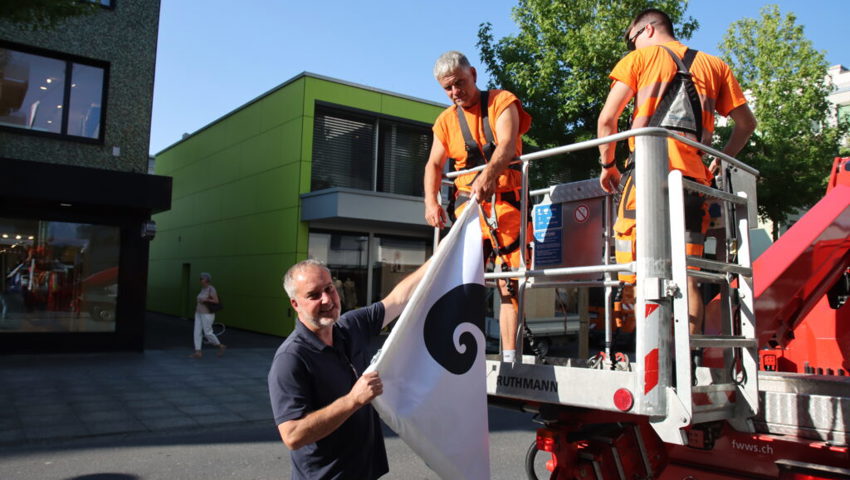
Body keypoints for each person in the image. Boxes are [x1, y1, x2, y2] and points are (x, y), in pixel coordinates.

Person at [597, 8, 756, 336]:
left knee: (638, 265)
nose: (632, 48)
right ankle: (690, 358)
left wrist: (607, 165)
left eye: (632, 40)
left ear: (649, 30)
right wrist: (722, 158)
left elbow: (607, 120)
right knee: (690, 275)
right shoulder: (716, 66)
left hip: (646, 174)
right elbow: (746, 124)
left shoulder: (640, 60)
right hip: (695, 182)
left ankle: (650, 358)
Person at [268, 258, 428, 480]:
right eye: (314, 295)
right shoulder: (291, 359)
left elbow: (399, 298)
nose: (327, 300)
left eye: (329, 289)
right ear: (295, 304)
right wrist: (353, 400)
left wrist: (447, 247)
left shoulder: (349, 327)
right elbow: (292, 435)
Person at [423, 50, 532, 363]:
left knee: (508, 284)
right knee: (462, 282)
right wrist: (431, 200)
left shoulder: (502, 101)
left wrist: (487, 178)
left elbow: (507, 146)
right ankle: (457, 356)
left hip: (507, 203)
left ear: (473, 73)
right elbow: (433, 164)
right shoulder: (445, 121)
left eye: (459, 82)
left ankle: (511, 357)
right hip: (467, 210)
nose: (456, 91)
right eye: (448, 88)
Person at [189, 272, 226, 358]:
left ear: (206, 280)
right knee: (197, 331)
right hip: (198, 313)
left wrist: (206, 300)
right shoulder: (203, 289)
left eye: (202, 278)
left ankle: (220, 345)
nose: (200, 280)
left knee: (207, 332)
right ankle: (198, 352)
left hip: (207, 314)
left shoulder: (211, 289)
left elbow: (216, 301)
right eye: (200, 278)